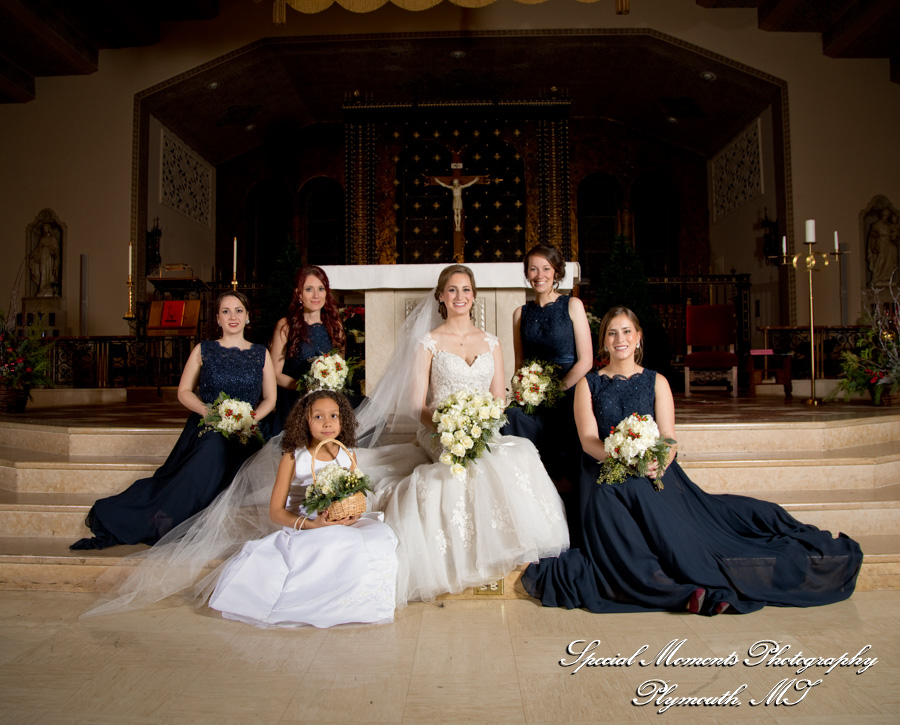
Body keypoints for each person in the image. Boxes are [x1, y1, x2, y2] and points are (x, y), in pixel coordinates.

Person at [521, 306, 863, 615]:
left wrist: (658, 462)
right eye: (612, 333)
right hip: (601, 467)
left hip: (651, 468)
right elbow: (588, 440)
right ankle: (667, 589)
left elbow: (668, 437)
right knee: (605, 497)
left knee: (677, 520)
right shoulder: (588, 384)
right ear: (603, 342)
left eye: (626, 331)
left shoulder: (657, 382)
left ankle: (679, 573)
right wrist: (618, 455)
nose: (619, 339)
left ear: (638, 338)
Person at [357, 264, 569, 604]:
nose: (460, 296)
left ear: (474, 296)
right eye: (452, 290)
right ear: (441, 296)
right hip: (437, 430)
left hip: (481, 429)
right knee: (465, 468)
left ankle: (509, 548)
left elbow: (499, 400)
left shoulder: (492, 342)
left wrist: (478, 426)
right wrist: (448, 428)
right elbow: (415, 405)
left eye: (466, 289)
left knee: (519, 454)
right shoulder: (428, 342)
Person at [70, 291, 277, 550]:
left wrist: (249, 419)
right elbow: (183, 392)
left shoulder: (261, 353)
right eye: (226, 311)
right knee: (213, 447)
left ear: (248, 317)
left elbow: (270, 398)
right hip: (209, 424)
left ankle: (172, 518)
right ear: (217, 319)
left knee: (224, 451)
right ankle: (165, 517)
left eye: (238, 311)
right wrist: (208, 413)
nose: (232, 316)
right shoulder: (204, 350)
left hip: (247, 431)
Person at [208, 391, 400, 628]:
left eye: (333, 416)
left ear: (343, 420)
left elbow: (352, 495)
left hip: (338, 520)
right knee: (337, 541)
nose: (327, 423)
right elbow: (276, 512)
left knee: (379, 538)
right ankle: (317, 604)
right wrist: (312, 524)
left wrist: (350, 516)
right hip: (306, 523)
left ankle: (355, 602)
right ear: (305, 421)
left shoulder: (347, 454)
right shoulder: (293, 456)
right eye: (318, 417)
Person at [501, 244, 593, 536]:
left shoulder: (572, 305)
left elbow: (586, 360)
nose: (539, 275)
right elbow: (519, 365)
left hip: (569, 388)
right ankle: (529, 498)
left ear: (556, 273)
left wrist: (557, 389)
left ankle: (565, 487)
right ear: (527, 274)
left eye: (545, 268)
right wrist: (524, 391)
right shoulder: (520, 313)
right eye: (533, 269)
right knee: (511, 416)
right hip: (533, 392)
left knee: (563, 418)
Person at [269, 265, 347, 430]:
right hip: (295, 398)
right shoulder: (285, 326)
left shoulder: (335, 326)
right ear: (299, 294)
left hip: (327, 399)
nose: (316, 295)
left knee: (367, 408)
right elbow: (274, 374)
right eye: (309, 289)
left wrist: (327, 387)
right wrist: (306, 387)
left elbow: (340, 367)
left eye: (321, 288)